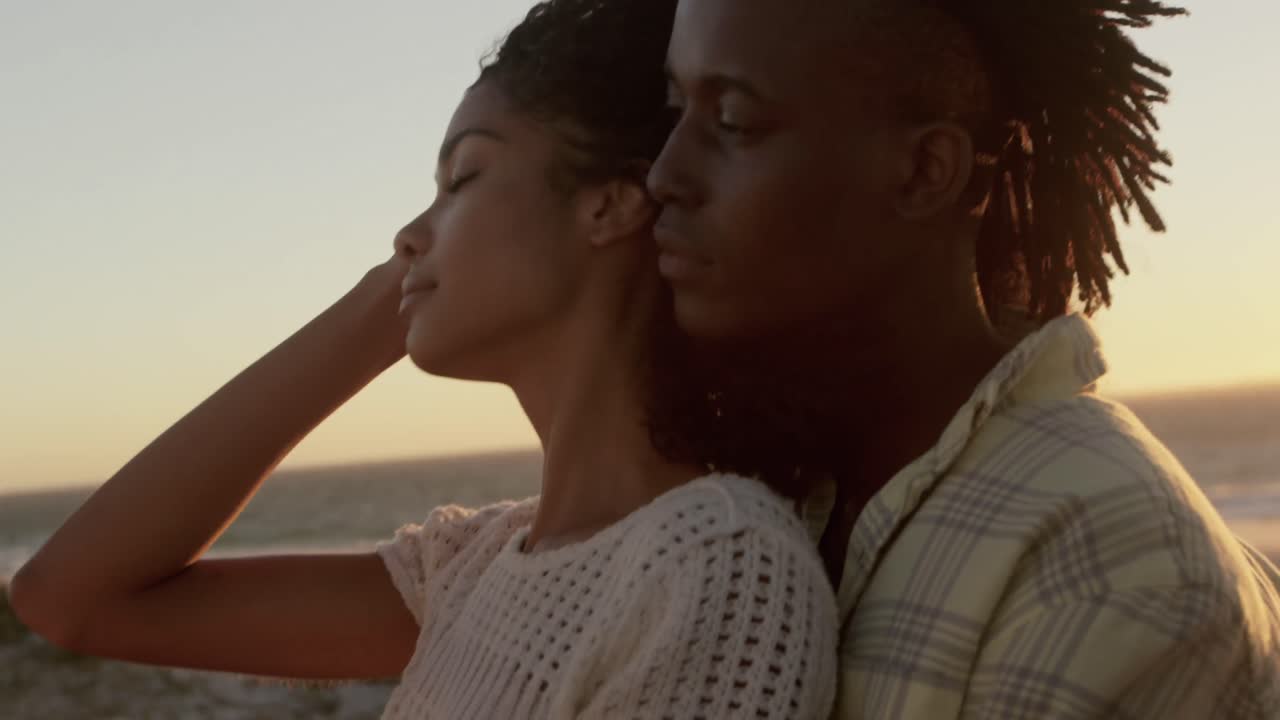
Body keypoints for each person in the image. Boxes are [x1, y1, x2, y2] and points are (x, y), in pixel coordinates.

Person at [8, 1, 839, 718]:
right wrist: (385, 304)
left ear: (614, 204)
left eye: (464, 178)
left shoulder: (713, 562)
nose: (409, 233)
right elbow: (71, 598)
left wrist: (413, 290)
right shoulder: (471, 572)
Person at [650, 0, 1280, 717]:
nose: (664, 175)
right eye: (675, 110)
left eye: (732, 121)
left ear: (924, 170)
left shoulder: (1109, 568)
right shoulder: (772, 498)